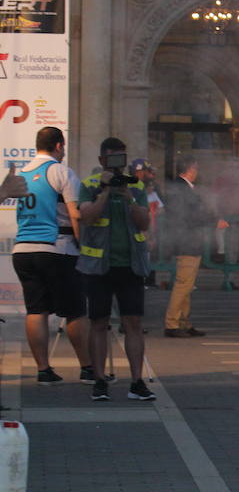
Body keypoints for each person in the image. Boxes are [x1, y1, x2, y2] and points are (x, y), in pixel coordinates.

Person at [12, 126, 92, 385]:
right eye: (63, 146)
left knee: (36, 310)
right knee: (76, 311)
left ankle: (44, 369)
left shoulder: (23, 172)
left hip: (23, 249)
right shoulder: (60, 171)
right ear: (59, 145)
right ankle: (87, 367)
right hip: (57, 248)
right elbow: (75, 214)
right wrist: (84, 247)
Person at [77, 137, 154, 402]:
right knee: (98, 323)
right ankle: (99, 381)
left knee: (133, 322)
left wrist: (129, 197)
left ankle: (137, 382)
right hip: (98, 267)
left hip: (131, 265)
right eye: (112, 160)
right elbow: (87, 216)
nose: (117, 165)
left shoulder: (137, 186)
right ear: (101, 161)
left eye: (121, 159)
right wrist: (107, 191)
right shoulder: (88, 185)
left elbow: (144, 222)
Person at [161, 156, 216, 338]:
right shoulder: (183, 189)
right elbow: (191, 216)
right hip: (187, 242)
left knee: (187, 284)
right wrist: (214, 221)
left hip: (187, 240)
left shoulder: (180, 188)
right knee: (183, 284)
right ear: (190, 169)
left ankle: (184, 321)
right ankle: (172, 322)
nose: (197, 172)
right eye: (196, 169)